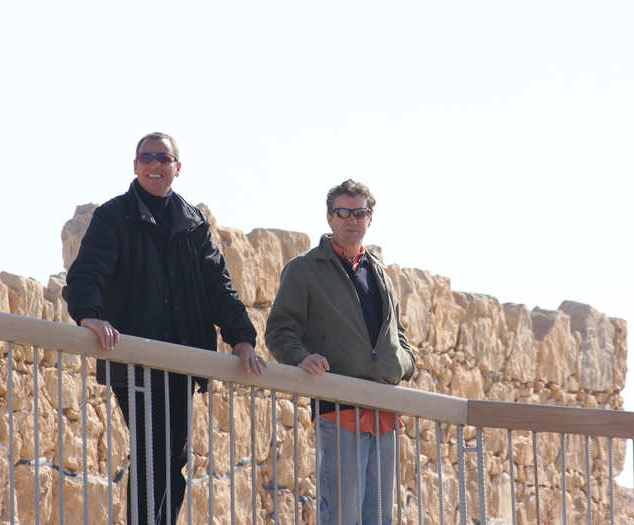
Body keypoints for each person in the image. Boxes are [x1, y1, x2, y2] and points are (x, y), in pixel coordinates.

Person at [62, 131, 266, 525]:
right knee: (151, 453)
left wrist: (242, 338)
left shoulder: (192, 223)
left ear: (177, 167)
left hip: (179, 363)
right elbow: (87, 273)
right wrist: (90, 314)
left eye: (163, 158)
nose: (155, 164)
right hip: (135, 360)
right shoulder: (114, 216)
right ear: (135, 166)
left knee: (175, 457)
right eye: (147, 157)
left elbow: (217, 285)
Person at [265, 179, 415, 524]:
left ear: (370, 219)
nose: (352, 220)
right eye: (343, 213)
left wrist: (403, 364)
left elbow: (398, 335)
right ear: (329, 218)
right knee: (342, 516)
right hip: (339, 409)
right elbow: (279, 329)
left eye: (359, 213)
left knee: (378, 517)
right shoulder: (304, 269)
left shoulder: (380, 273)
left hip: (384, 411)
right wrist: (300, 357)